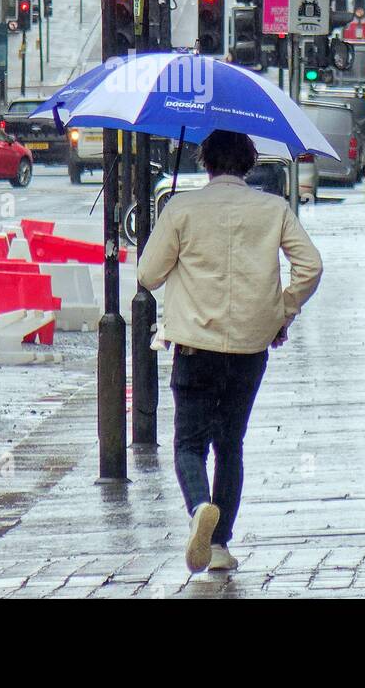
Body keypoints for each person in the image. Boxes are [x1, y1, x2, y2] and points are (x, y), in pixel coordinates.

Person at [137, 130, 323, 574]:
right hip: (249, 346)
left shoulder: (181, 208)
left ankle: (200, 505)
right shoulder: (273, 208)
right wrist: (282, 310)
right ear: (248, 163)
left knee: (188, 442)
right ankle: (218, 545)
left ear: (206, 163)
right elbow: (311, 266)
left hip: (195, 346)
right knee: (230, 444)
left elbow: (147, 275)